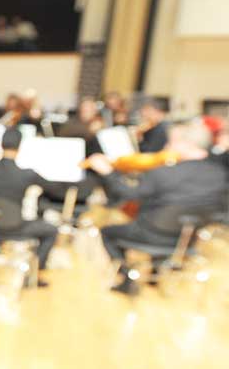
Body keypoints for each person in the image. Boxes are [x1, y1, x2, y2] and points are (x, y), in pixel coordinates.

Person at [86, 124, 228, 295]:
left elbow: (128, 194)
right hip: (188, 238)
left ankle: (126, 277)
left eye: (172, 142)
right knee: (168, 218)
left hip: (150, 234)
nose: (167, 146)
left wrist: (108, 172)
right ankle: (155, 273)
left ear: (186, 144)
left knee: (107, 232)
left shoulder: (163, 173)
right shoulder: (220, 174)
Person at [0, 129, 58, 286]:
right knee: (51, 231)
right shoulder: (27, 174)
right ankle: (33, 276)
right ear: (20, 147)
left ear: (1, 145)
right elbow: (53, 188)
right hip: (10, 227)